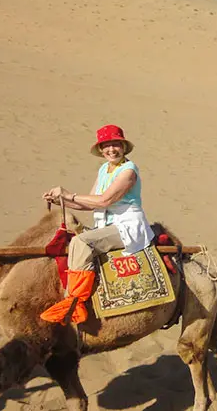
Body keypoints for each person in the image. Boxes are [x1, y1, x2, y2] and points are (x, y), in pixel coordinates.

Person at [40, 124, 155, 324]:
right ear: (101, 150)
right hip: (106, 225)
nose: (111, 150)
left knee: (81, 243)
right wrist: (60, 201)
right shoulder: (104, 169)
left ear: (123, 147)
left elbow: (104, 201)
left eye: (115, 144)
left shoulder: (128, 172)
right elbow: (91, 203)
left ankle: (75, 302)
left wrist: (69, 194)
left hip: (126, 226)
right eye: (106, 146)